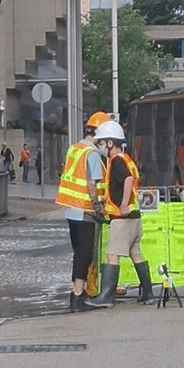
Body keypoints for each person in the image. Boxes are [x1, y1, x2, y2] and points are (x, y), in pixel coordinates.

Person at [86, 120, 155, 307]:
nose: (100, 147)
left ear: (110, 143)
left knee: (112, 254)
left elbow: (128, 180)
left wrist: (123, 205)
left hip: (122, 217)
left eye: (101, 143)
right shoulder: (127, 159)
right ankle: (148, 293)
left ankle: (107, 296)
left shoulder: (116, 161)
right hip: (134, 217)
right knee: (135, 254)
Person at [55, 111, 109, 313]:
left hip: (71, 210)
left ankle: (79, 289)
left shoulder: (74, 149)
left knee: (79, 252)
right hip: (85, 209)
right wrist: (98, 207)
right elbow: (92, 183)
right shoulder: (92, 154)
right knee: (85, 254)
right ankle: (77, 294)